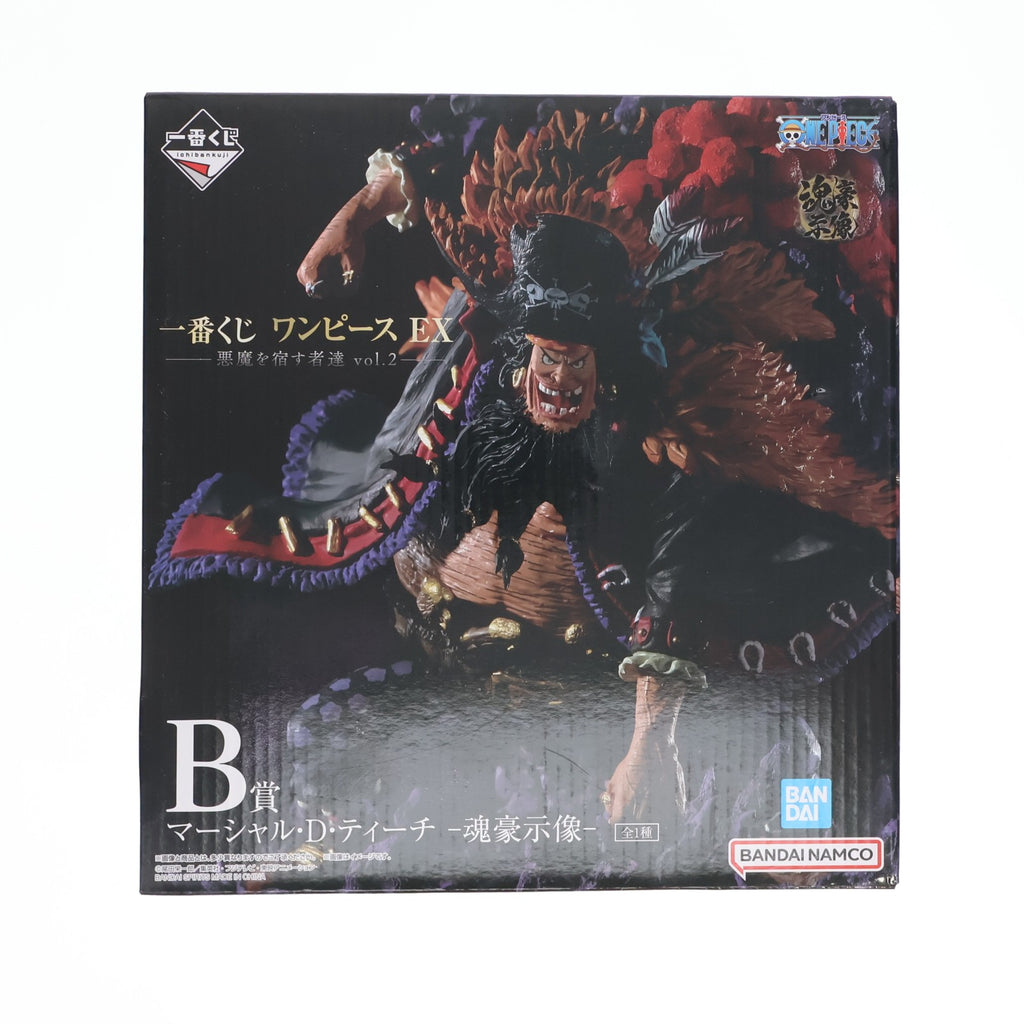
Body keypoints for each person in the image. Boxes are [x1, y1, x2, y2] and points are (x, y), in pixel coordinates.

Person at [152, 100, 897, 831]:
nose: (560, 381)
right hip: (454, 675)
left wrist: (649, 742)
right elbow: (450, 151)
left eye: (576, 360)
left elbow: (678, 576)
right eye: (546, 356)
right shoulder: (477, 374)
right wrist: (360, 210)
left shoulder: (662, 425)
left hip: (597, 697)